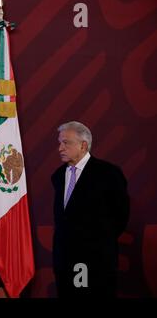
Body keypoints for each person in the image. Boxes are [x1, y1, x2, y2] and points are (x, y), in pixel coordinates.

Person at [51, 121, 130, 297]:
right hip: (64, 262)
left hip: (96, 263)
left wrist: (98, 243)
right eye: (60, 142)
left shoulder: (108, 173)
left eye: (66, 142)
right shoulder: (58, 176)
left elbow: (120, 216)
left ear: (83, 145)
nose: (60, 148)